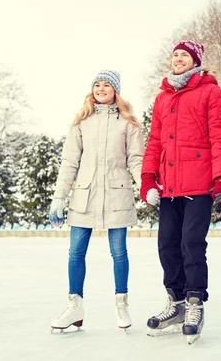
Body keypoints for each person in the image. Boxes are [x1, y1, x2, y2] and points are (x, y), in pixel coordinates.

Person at [139, 40, 221, 344]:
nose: (178, 59)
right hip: (169, 186)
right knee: (167, 245)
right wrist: (147, 178)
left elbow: (220, 137)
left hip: (199, 182)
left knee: (191, 244)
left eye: (184, 55)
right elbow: (155, 142)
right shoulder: (163, 98)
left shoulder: (211, 92)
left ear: (195, 61)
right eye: (175, 55)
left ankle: (194, 304)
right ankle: (175, 303)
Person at [48, 70, 145, 332]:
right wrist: (60, 196)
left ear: (116, 90)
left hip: (117, 193)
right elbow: (69, 162)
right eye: (97, 85)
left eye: (107, 85)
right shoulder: (81, 122)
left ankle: (121, 303)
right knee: (76, 252)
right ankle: (74, 306)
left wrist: (146, 185)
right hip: (84, 194)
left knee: (119, 252)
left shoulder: (128, 123)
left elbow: (136, 159)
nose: (101, 88)